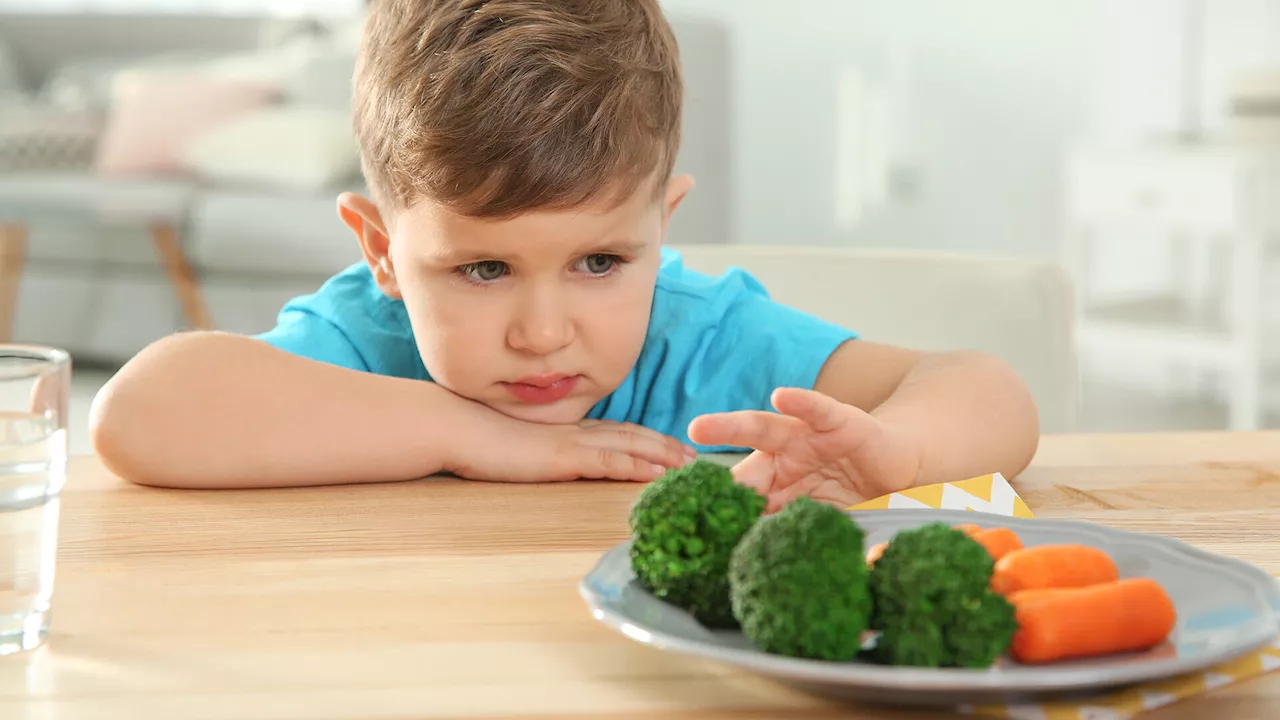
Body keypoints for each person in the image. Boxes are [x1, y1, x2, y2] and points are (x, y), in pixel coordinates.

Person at [89, 0, 1040, 511]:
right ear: (383, 250)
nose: (544, 334)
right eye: (483, 269)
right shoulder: (367, 344)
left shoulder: (700, 342)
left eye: (599, 263)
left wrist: (897, 453)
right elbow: (138, 413)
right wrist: (472, 436)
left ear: (661, 229)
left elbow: (983, 387)